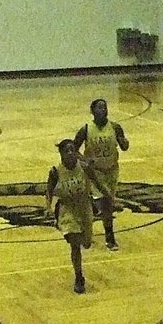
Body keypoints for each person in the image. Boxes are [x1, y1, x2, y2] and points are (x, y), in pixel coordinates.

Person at [45, 138, 113, 294]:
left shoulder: (84, 168)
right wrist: (47, 208)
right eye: (66, 150)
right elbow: (48, 191)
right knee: (74, 243)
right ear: (61, 153)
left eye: (72, 150)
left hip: (84, 207)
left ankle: (84, 242)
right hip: (67, 209)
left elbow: (97, 182)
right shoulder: (56, 171)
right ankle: (79, 277)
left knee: (86, 243)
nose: (70, 153)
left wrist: (108, 195)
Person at [73, 98, 129, 251]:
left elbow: (124, 146)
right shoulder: (86, 129)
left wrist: (125, 143)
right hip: (95, 172)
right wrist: (84, 160)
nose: (103, 110)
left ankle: (93, 205)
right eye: (99, 107)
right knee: (106, 204)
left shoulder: (115, 127)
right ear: (92, 111)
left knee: (106, 204)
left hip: (111, 170)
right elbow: (73, 150)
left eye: (105, 107)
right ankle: (110, 238)